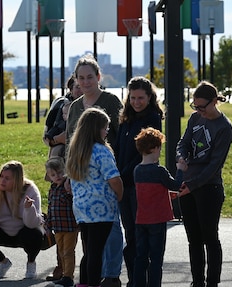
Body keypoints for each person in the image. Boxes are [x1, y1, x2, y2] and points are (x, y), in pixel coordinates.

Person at [65, 54, 124, 287]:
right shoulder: (75, 107)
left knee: (110, 234)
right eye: (81, 78)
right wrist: (68, 175)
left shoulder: (110, 101)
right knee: (91, 242)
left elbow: (119, 136)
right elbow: (70, 141)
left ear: (98, 77)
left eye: (90, 77)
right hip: (83, 180)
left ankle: (111, 274)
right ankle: (91, 279)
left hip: (107, 174)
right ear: (76, 80)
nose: (86, 81)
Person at [176, 81, 232, 287]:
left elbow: (214, 166)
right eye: (195, 107)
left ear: (215, 102)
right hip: (188, 185)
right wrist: (181, 156)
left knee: (210, 237)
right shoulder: (194, 118)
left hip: (209, 188)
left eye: (202, 107)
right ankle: (197, 281)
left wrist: (193, 185)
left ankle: (212, 282)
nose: (199, 111)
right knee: (193, 239)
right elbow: (183, 143)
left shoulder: (224, 128)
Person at [114, 76, 163, 287]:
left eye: (141, 98)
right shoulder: (126, 119)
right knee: (130, 233)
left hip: (138, 185)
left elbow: (143, 153)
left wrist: (122, 176)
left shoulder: (152, 118)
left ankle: (139, 280)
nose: (136, 102)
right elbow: (119, 149)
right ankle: (134, 278)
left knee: (138, 234)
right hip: (124, 184)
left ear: (150, 97)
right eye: (132, 98)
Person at [133, 127, 187, 287]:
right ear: (156, 148)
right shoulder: (159, 171)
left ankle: (138, 284)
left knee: (141, 256)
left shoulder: (137, 170)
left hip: (141, 219)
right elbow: (176, 185)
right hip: (157, 219)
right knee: (156, 258)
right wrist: (180, 170)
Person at [0, 161, 43, 280]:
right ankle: (3, 261)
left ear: (17, 180)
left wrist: (28, 208)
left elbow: (32, 223)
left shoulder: (30, 190)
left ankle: (31, 263)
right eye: (1, 176)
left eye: (7, 178)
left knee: (35, 233)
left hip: (24, 231)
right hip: (1, 230)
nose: (2, 181)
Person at [44, 156, 79, 287]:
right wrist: (48, 224)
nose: (57, 176)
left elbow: (74, 202)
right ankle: (65, 273)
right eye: (53, 174)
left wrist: (70, 191)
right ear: (49, 176)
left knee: (68, 252)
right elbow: (50, 207)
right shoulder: (53, 189)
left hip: (70, 226)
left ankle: (68, 276)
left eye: (59, 172)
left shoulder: (68, 186)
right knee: (61, 252)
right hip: (58, 227)